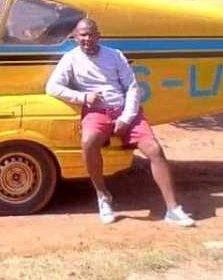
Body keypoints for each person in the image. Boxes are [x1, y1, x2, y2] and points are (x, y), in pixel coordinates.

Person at [45, 18, 195, 226]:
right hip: (97, 112)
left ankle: (173, 209)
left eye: (91, 34)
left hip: (125, 111)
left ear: (98, 35)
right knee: (88, 142)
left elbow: (132, 88)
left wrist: (126, 117)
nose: (87, 39)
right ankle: (103, 196)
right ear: (75, 37)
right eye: (82, 35)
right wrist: (83, 97)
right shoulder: (70, 59)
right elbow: (52, 87)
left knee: (154, 149)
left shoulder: (115, 55)